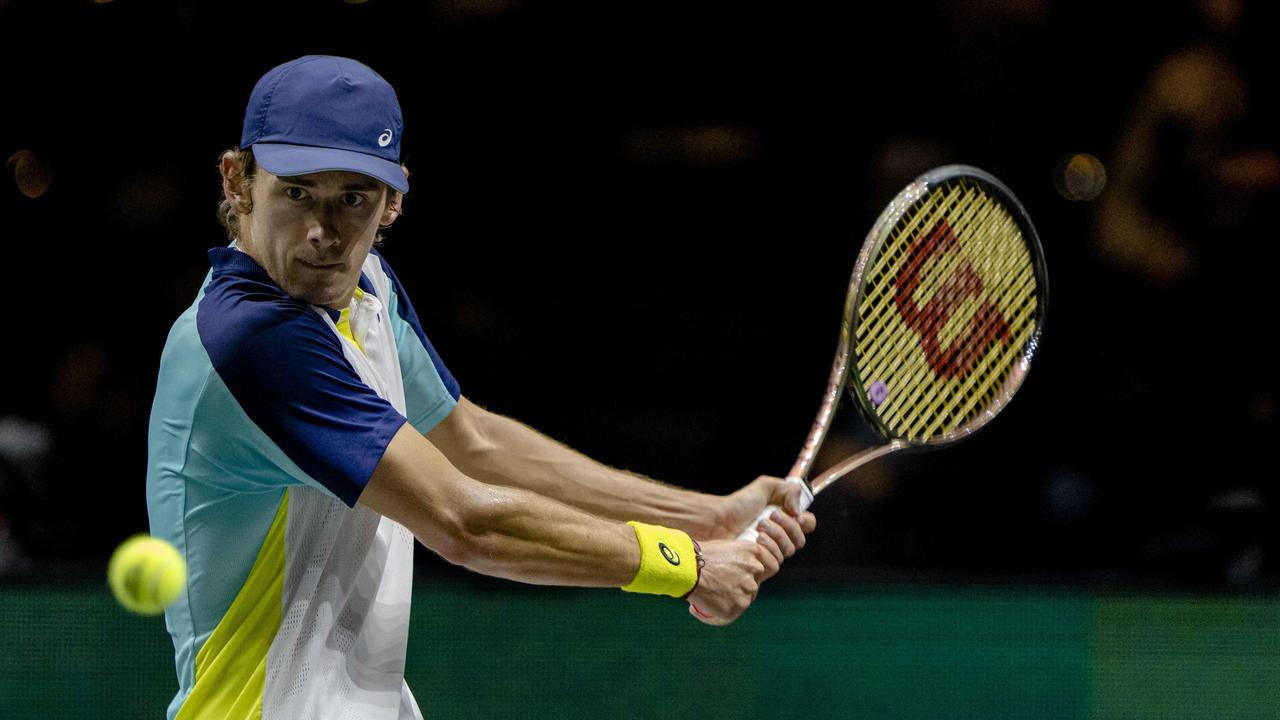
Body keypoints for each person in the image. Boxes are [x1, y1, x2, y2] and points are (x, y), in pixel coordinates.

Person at [145, 55, 816, 720]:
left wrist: (705, 516)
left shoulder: (367, 286)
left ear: (395, 200)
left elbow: (476, 444)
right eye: (298, 193)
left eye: (353, 198)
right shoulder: (253, 339)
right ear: (238, 180)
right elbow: (464, 521)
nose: (325, 232)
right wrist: (688, 566)